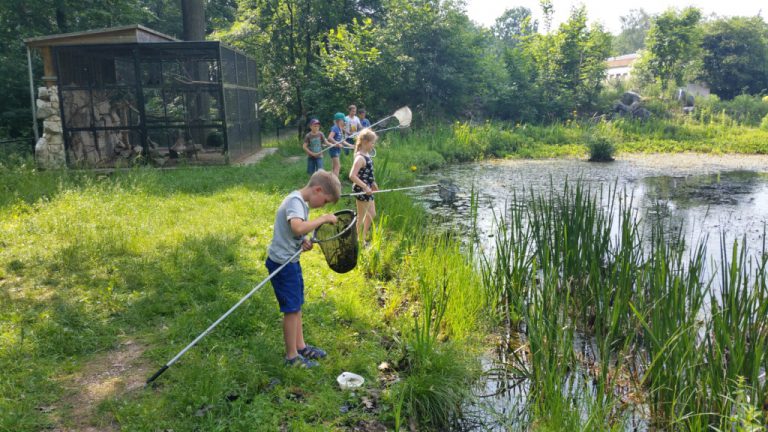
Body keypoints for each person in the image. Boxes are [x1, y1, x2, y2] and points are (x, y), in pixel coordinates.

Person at [266, 170, 341, 367]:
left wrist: (303, 241)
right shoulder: (295, 201)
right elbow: (297, 227)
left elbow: (297, 232)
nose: (323, 206)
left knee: (297, 304)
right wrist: (323, 218)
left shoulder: (300, 203)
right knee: (291, 309)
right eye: (324, 201)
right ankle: (292, 357)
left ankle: (300, 347)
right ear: (317, 190)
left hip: (290, 262)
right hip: (282, 265)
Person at [348, 128, 378, 244]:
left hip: (367, 188)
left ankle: (360, 238)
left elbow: (368, 172)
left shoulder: (366, 154)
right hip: (362, 190)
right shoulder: (360, 158)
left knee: (368, 214)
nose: (373, 145)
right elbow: (352, 176)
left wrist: (373, 183)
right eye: (372, 142)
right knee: (364, 215)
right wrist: (365, 187)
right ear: (365, 142)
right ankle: (359, 240)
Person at [326, 112, 346, 177]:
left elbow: (342, 141)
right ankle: (335, 182)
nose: (344, 122)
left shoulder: (340, 129)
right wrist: (337, 143)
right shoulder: (335, 128)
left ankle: (331, 181)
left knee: (334, 167)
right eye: (343, 120)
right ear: (340, 120)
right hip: (333, 149)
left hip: (337, 150)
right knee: (337, 166)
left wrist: (351, 146)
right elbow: (329, 137)